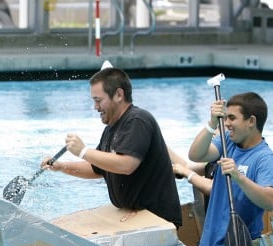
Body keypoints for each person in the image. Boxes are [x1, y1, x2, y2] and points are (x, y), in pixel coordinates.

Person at [41, 67, 182, 228]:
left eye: (98, 100)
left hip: (158, 219)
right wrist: (61, 166)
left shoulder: (138, 120)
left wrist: (83, 151)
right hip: (134, 216)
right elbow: (97, 169)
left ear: (118, 95)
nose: (95, 106)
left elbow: (126, 165)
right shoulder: (111, 129)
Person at [188, 92, 273, 246]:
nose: (226, 124)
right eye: (225, 118)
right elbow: (195, 155)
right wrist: (211, 124)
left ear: (251, 121)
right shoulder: (227, 142)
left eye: (232, 118)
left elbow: (270, 201)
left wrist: (239, 177)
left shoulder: (266, 159)